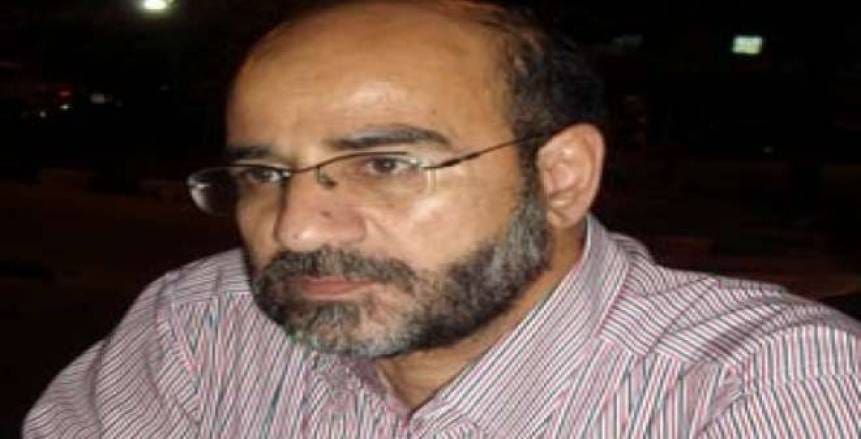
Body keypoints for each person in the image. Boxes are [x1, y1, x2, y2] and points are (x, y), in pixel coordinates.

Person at [24, 1, 860, 437]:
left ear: (560, 177)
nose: (297, 229)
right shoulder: (201, 324)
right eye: (263, 174)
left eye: (385, 165)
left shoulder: (770, 386)